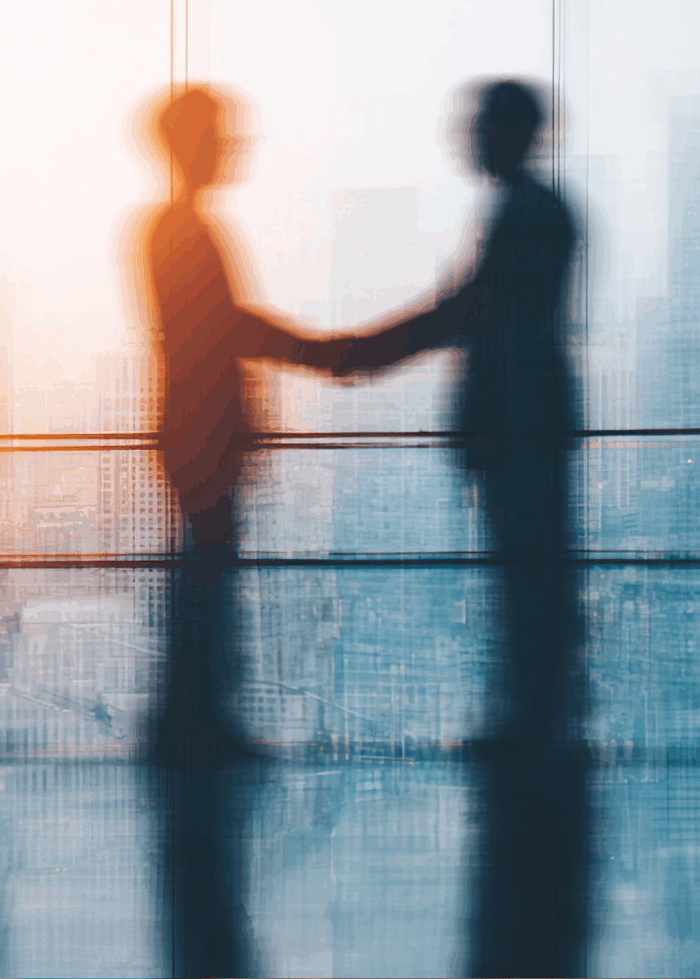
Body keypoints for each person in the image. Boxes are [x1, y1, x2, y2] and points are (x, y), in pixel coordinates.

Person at [317, 78, 586, 977]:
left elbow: (467, 312)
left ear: (508, 134)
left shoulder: (523, 216)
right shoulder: (536, 211)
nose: (465, 139)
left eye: (477, 127)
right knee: (529, 580)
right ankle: (535, 722)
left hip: (519, 428)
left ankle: (537, 725)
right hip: (524, 425)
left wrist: (363, 353)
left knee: (529, 580)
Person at [132, 84, 339, 978]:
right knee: (208, 570)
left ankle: (192, 716)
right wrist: (326, 353)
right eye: (223, 134)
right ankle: (194, 719)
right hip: (206, 429)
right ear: (194, 144)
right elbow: (227, 329)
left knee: (205, 568)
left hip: (197, 427)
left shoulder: (172, 229)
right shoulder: (185, 232)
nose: (234, 146)